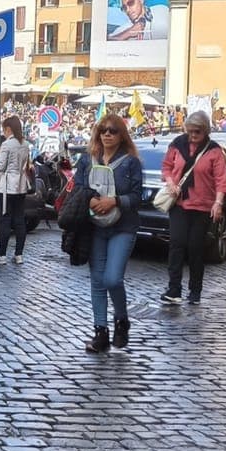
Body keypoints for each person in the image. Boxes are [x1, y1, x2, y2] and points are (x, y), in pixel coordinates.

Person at [73, 114, 142, 352]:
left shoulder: (131, 162)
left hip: (123, 226)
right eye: (103, 130)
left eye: (113, 130)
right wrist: (91, 201)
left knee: (112, 278)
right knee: (97, 281)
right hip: (95, 227)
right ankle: (100, 332)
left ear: (121, 134)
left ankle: (121, 320)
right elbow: (79, 187)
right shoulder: (87, 160)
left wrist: (115, 201)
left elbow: (136, 196)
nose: (107, 134)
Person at [159, 111, 226, 306]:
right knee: (177, 243)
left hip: (203, 206)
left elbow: (221, 180)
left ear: (205, 130)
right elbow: (166, 167)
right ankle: (174, 289)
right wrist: (171, 181)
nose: (192, 136)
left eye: (197, 132)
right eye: (189, 131)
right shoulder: (177, 144)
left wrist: (218, 202)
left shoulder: (213, 150)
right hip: (179, 202)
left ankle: (195, 290)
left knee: (196, 247)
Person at [0, 116, 31, 265]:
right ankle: (19, 254)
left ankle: (1, 255)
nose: (4, 133)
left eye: (4, 130)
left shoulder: (7, 145)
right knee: (20, 220)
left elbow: (0, 167)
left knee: (5, 219)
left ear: (8, 129)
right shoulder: (25, 144)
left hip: (6, 187)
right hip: (21, 185)